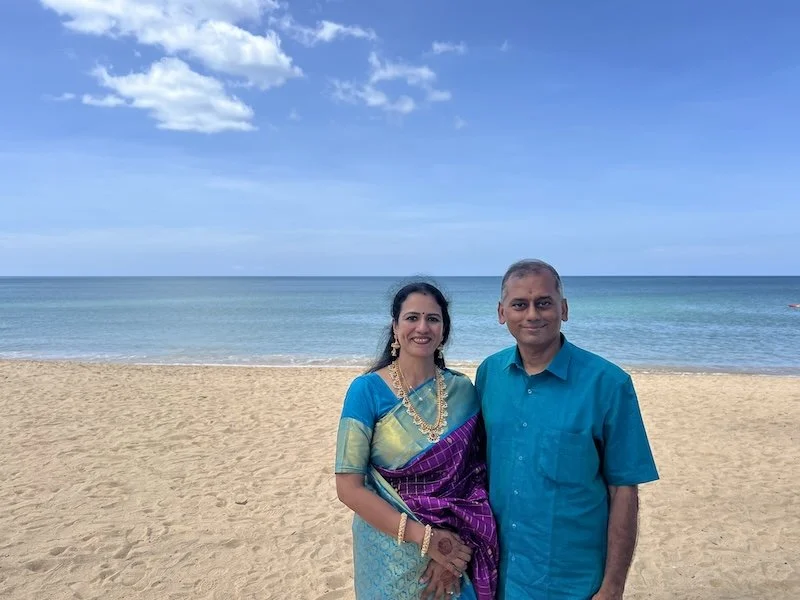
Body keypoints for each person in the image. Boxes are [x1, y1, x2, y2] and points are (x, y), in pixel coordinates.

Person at [476, 260, 659, 600]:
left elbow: (624, 490)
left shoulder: (608, 384)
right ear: (502, 313)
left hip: (571, 583)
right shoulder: (489, 374)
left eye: (544, 303)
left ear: (564, 308)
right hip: (497, 576)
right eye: (520, 304)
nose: (532, 314)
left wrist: (613, 586)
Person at [335, 281, 499, 600]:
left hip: (454, 550)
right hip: (388, 550)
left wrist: (451, 551)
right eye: (412, 318)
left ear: (443, 330)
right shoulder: (366, 391)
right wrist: (426, 539)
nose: (422, 327)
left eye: (432, 319)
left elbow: (475, 480)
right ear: (395, 328)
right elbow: (348, 487)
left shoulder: (464, 392)